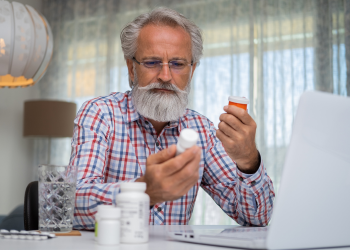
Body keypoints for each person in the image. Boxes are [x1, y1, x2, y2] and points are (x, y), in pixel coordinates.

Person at [69, 7, 275, 230]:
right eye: (151, 62)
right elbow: (73, 203)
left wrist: (248, 161)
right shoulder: (100, 114)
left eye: (177, 64)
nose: (165, 76)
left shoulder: (202, 130)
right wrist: (143, 191)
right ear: (131, 68)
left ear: (192, 71)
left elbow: (258, 217)